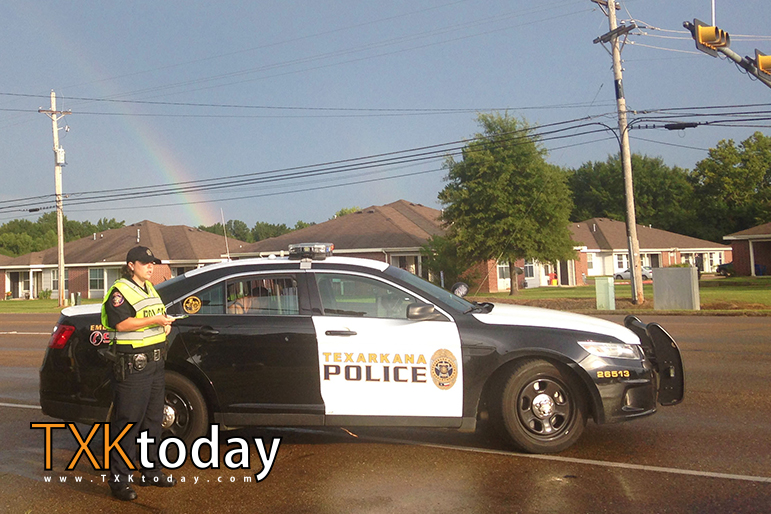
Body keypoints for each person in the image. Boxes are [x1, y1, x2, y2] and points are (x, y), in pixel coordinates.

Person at [101, 246, 177, 501]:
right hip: (134, 367)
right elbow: (122, 324)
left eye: (152, 263)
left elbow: (155, 316)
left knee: (153, 421)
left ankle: (151, 471)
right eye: (145, 263)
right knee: (128, 423)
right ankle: (119, 481)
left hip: (155, 364)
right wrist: (155, 321)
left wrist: (164, 325)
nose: (150, 266)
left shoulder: (150, 289)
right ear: (131, 265)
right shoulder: (120, 291)